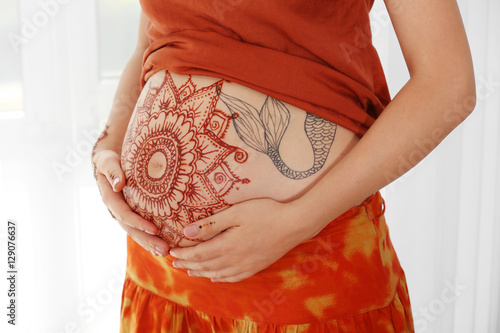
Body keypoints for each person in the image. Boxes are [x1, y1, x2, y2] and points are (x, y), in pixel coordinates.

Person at [91, 0, 475, 331]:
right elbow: (152, 40)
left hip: (309, 275)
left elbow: (447, 84)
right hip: (164, 281)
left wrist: (299, 220)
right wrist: (110, 143)